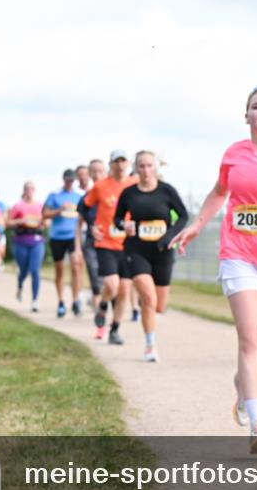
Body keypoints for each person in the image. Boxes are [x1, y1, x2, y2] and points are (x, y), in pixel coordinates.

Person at [171, 86, 257, 454]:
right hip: (239, 254)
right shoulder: (233, 154)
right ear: (247, 116)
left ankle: (245, 388)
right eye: (256, 106)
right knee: (251, 339)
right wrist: (197, 224)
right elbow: (218, 192)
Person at [114, 151, 189, 362]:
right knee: (148, 298)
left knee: (159, 305)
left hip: (163, 250)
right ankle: (150, 345)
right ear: (136, 169)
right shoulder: (129, 193)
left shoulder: (167, 191)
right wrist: (124, 225)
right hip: (136, 249)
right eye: (141, 166)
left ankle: (151, 320)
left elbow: (183, 215)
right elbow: (117, 218)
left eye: (149, 165)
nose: (145, 170)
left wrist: (170, 236)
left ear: (154, 167)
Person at [83, 150, 137, 343]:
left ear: (128, 164)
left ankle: (114, 329)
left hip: (129, 244)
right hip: (105, 242)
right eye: (117, 162)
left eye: (124, 161)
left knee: (124, 289)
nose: (120, 165)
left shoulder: (134, 184)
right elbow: (83, 207)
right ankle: (104, 304)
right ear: (111, 165)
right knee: (112, 285)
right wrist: (91, 227)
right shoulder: (101, 186)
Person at [44, 169, 84, 318]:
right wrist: (59, 210)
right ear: (63, 180)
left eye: (72, 180)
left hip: (73, 236)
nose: (69, 182)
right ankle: (61, 301)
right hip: (57, 236)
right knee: (59, 269)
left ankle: (76, 300)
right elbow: (45, 214)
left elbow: (85, 213)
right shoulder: (54, 195)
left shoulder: (79, 195)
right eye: (67, 180)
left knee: (76, 266)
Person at [8, 181, 46, 312]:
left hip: (37, 240)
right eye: (27, 188)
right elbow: (8, 222)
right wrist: (21, 221)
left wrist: (42, 222)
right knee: (24, 270)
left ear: (34, 190)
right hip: (21, 240)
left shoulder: (40, 206)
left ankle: (35, 300)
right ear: (24, 190)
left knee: (35, 270)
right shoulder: (18, 206)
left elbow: (46, 221)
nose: (29, 191)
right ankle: (20, 285)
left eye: (32, 188)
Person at [75, 159, 106, 312]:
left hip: (112, 242)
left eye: (100, 171)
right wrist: (77, 248)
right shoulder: (86, 198)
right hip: (91, 243)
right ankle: (99, 315)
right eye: (93, 171)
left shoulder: (116, 193)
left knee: (111, 281)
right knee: (95, 278)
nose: (97, 174)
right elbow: (79, 224)